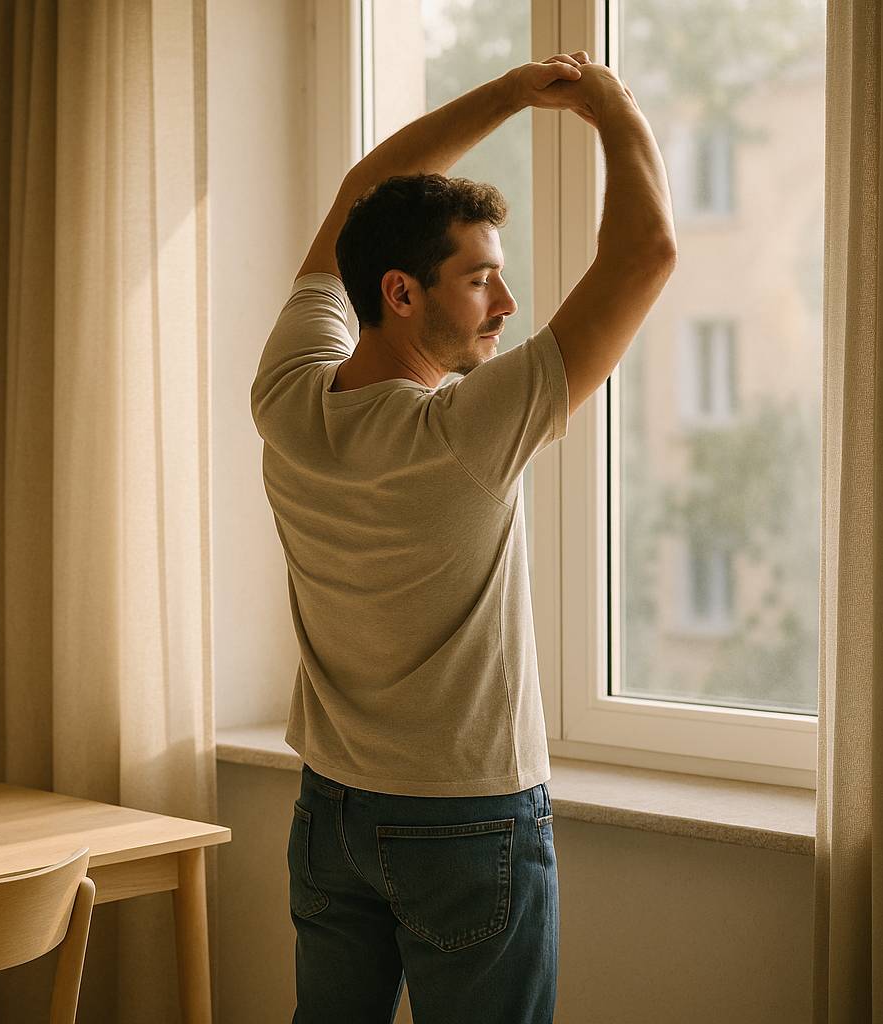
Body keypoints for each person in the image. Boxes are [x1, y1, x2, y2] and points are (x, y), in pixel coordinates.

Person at [249, 50, 676, 1023]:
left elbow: (366, 193)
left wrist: (511, 94)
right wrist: (608, 105)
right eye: (481, 280)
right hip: (464, 819)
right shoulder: (462, 433)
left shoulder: (286, 396)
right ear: (401, 293)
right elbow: (646, 254)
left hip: (332, 814)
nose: (508, 306)